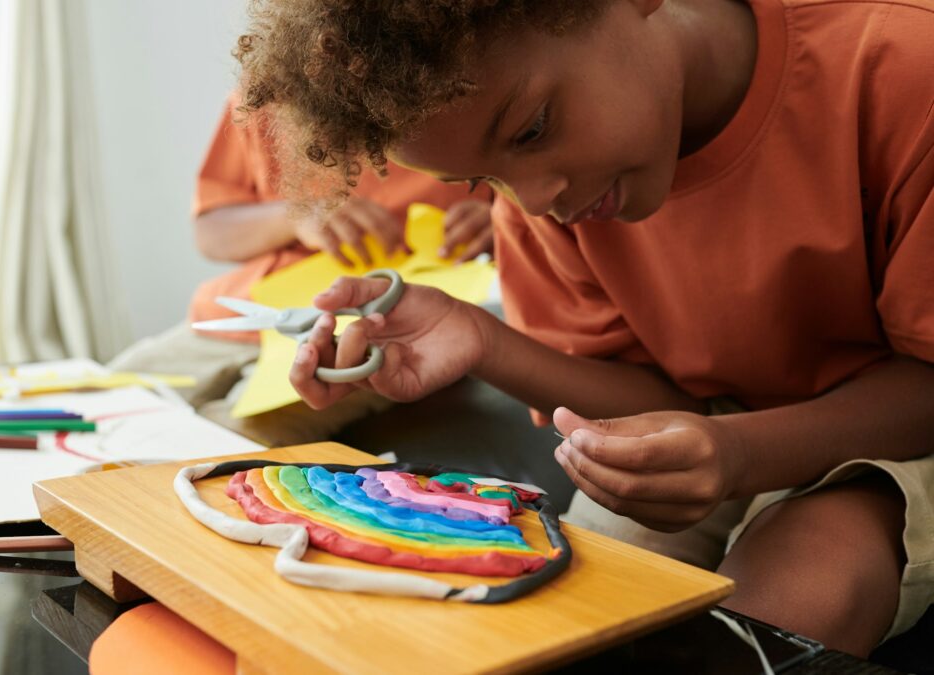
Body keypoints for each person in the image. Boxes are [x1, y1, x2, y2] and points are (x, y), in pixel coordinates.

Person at [232, 0, 934, 656]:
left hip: (900, 430)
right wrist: (482, 340)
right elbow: (665, 400)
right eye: (484, 181)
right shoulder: (553, 204)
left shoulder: (902, 69)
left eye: (532, 128)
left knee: (799, 584)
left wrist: (741, 453)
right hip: (733, 426)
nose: (535, 199)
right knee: (583, 611)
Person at [109, 92, 493, 446]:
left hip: (372, 330)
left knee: (225, 444)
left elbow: (536, 205)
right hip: (245, 312)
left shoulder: (464, 93)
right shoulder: (264, 92)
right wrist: (294, 216)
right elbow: (210, 232)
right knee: (96, 405)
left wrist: (503, 224)